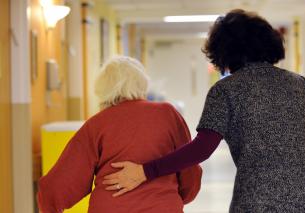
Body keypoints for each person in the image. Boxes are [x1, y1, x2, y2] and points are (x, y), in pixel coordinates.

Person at [102, 9, 305, 212]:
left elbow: (202, 148)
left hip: (256, 200)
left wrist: (145, 171)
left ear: (224, 50)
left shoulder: (226, 90)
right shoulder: (300, 84)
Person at [37, 56, 202, 213]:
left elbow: (57, 185)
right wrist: (174, 197)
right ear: (142, 83)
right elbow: (189, 169)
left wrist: (49, 206)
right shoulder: (167, 114)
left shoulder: (96, 124)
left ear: (103, 88)